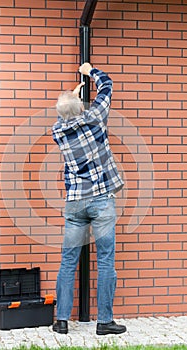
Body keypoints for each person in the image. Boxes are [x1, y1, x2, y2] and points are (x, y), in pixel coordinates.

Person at [52, 62, 126, 336]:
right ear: (81, 108)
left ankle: (61, 321)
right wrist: (89, 71)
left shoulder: (58, 131)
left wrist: (71, 99)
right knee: (106, 260)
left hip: (75, 203)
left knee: (68, 261)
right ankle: (104, 322)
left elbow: (66, 116)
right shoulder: (95, 117)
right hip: (101, 200)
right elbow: (107, 86)